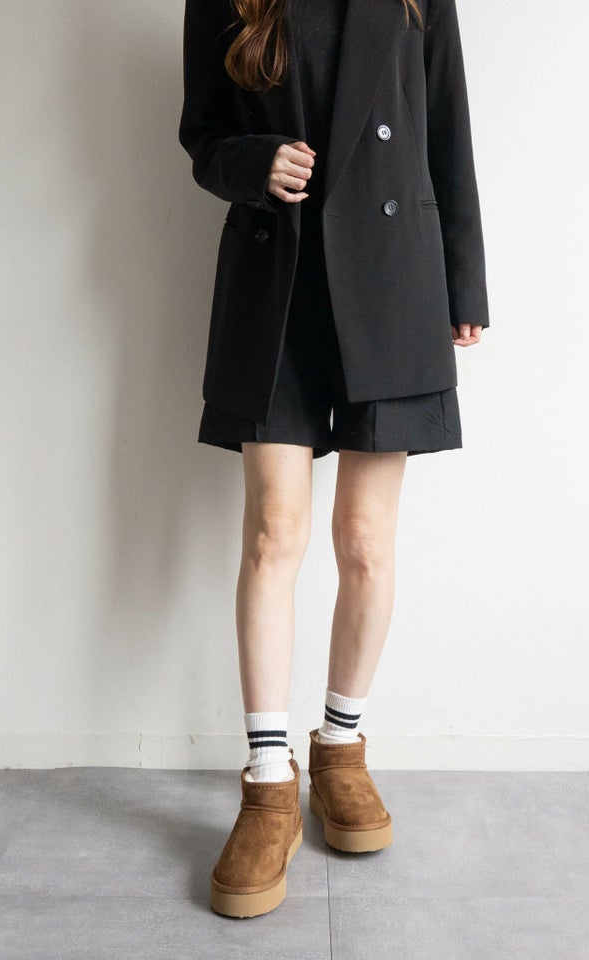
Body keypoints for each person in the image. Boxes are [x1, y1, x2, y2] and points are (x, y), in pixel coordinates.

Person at [179, 0, 489, 918]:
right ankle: (268, 783)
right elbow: (202, 134)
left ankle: (341, 749)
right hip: (278, 279)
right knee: (274, 534)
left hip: (393, 274)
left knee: (364, 541)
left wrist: (465, 282)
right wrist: (255, 162)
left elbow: (448, 126)